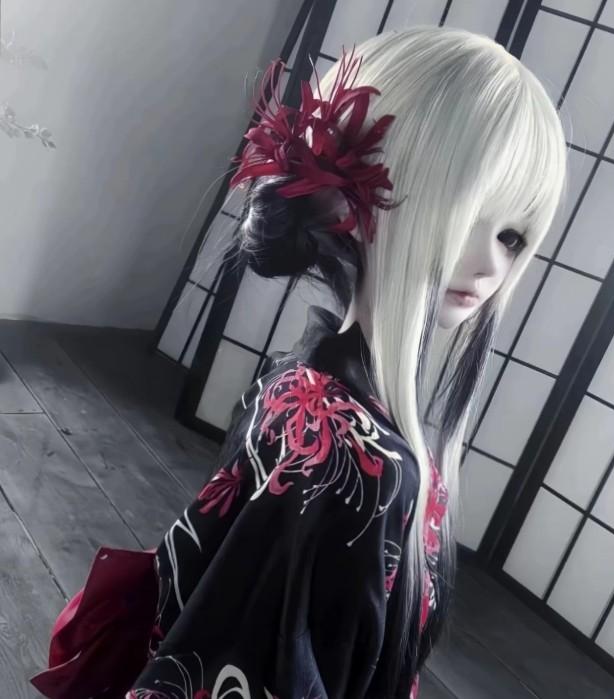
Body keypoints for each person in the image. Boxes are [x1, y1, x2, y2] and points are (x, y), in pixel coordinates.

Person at [31, 24, 567, 699]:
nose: (490, 262)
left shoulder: (299, 383)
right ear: (351, 198)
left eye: (513, 236)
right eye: (466, 215)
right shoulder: (359, 456)